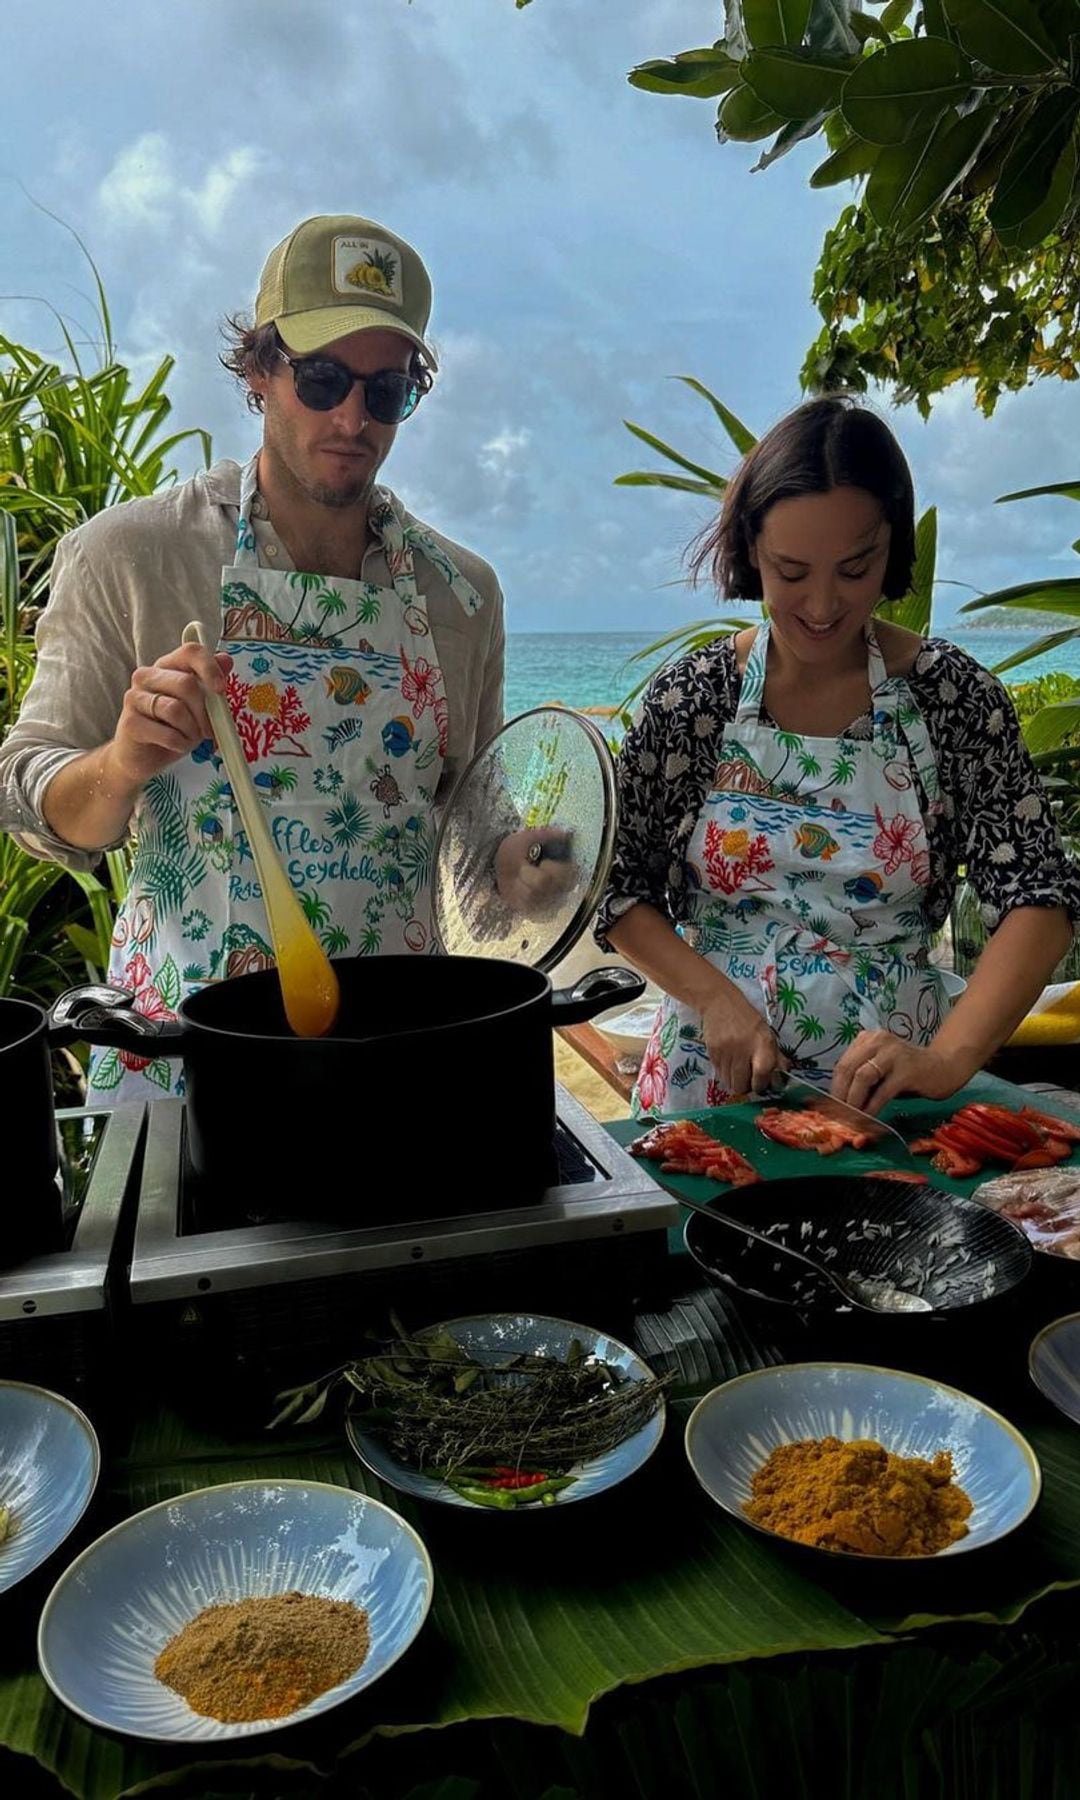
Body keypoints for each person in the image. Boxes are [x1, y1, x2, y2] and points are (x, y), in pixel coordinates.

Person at [0, 213, 510, 1104]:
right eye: (322, 378)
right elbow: (29, 796)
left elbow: (474, 832)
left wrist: (529, 867)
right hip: (183, 1059)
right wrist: (121, 764)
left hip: (390, 1056)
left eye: (385, 391)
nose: (353, 417)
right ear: (259, 369)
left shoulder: (461, 595)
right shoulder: (131, 556)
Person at [596, 396, 1080, 1118]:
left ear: (892, 550)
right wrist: (713, 999)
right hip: (708, 1085)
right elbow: (619, 888)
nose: (822, 606)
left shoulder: (953, 698)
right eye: (791, 573)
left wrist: (948, 1060)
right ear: (751, 551)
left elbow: (1038, 897)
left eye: (855, 569)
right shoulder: (691, 700)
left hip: (893, 1096)